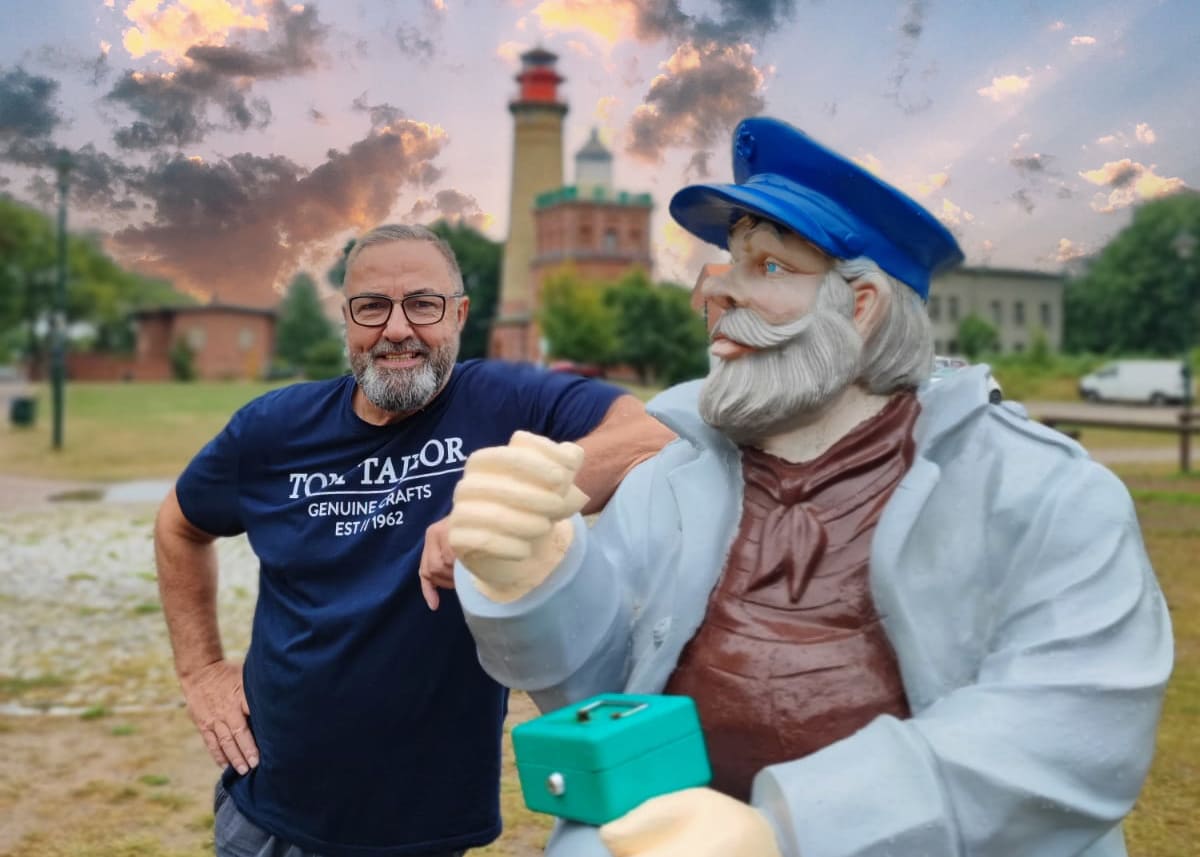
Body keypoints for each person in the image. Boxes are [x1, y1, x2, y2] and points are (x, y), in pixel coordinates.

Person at [446, 118, 1173, 857]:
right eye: (726, 263)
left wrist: (787, 829)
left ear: (861, 306)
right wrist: (538, 578)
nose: (714, 293)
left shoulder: (1042, 493)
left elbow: (1072, 730)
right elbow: (603, 700)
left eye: (767, 267)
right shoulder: (672, 478)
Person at [153, 222, 675, 857]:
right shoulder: (272, 429)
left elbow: (652, 434)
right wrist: (201, 670)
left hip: (423, 825)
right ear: (346, 318)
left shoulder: (507, 400)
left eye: (423, 304)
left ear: (459, 314)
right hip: (267, 811)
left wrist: (502, 505)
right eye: (372, 306)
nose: (397, 329)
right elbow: (179, 525)